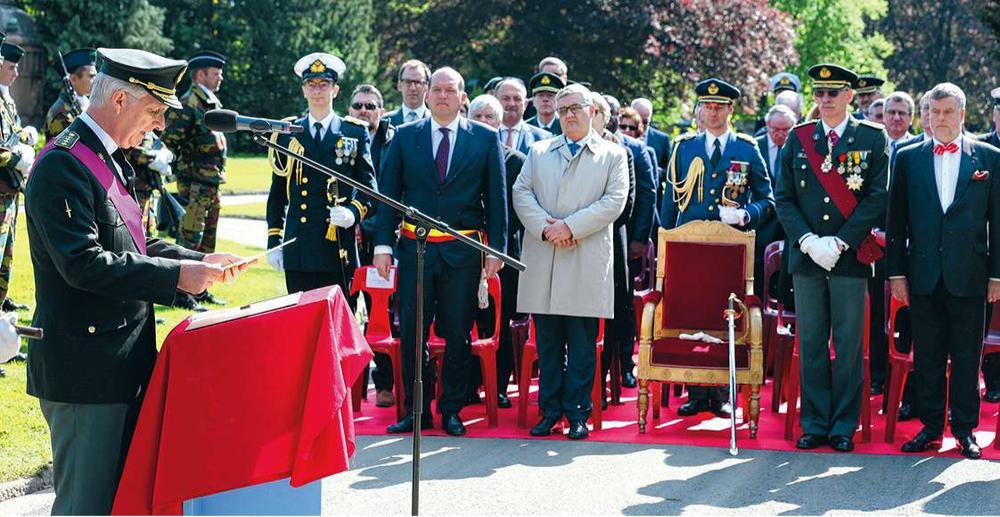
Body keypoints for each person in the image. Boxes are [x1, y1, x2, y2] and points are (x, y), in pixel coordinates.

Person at [25, 48, 249, 515]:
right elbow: (83, 263)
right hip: (85, 373)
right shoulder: (63, 163)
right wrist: (178, 278)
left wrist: (199, 259)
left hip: (118, 364)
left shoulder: (107, 157)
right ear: (121, 101)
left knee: (118, 504)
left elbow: (136, 243)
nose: (161, 125)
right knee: (86, 506)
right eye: (155, 111)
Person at [374, 67, 507, 437]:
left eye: (451, 90)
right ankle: (415, 410)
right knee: (412, 332)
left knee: (458, 333)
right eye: (437, 89)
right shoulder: (404, 137)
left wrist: (496, 249)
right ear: (428, 95)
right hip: (416, 252)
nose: (443, 95)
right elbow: (388, 196)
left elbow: (497, 199)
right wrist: (383, 246)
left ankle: (452, 409)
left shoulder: (484, 138)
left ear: (463, 97)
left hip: (462, 252)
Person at [775, 63, 888, 453]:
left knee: (848, 344)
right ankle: (815, 422)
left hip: (850, 255)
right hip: (807, 258)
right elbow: (784, 197)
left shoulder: (872, 138)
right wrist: (807, 240)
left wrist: (839, 242)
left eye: (833, 93)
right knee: (811, 343)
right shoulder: (799, 137)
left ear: (849, 96)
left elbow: (876, 197)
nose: (825, 101)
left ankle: (843, 424)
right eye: (819, 94)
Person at [887, 82, 999, 460]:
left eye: (948, 112)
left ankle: (965, 430)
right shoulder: (906, 157)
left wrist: (997, 275)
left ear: (963, 115)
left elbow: (998, 222)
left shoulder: (989, 158)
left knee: (968, 357)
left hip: (970, 275)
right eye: (934, 113)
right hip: (922, 275)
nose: (940, 119)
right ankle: (931, 427)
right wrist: (896, 273)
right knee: (929, 356)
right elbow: (896, 220)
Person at [514, 83, 628, 440]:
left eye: (575, 108)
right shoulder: (539, 150)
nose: (569, 115)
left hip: (584, 255)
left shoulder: (612, 154)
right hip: (546, 253)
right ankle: (549, 410)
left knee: (581, 343)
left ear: (592, 111)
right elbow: (521, 192)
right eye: (563, 110)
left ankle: (578, 411)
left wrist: (570, 227)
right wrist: (547, 230)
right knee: (547, 341)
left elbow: (615, 201)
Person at [661, 78, 774, 417]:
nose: (712, 112)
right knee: (692, 315)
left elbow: (768, 198)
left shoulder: (746, 147)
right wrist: (666, 240)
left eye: (719, 106)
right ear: (700, 110)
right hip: (691, 247)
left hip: (729, 248)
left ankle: (723, 392)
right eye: (707, 106)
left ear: (730, 109)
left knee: (726, 317)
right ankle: (695, 391)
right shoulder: (684, 147)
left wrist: (746, 214)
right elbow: (669, 201)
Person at [265, 53, 376, 301]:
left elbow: (370, 190)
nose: (317, 91)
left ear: (335, 90)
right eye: (311, 85)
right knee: (300, 323)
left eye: (323, 85)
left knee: (337, 322)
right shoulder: (287, 132)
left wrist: (353, 213)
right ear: (303, 90)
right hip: (299, 247)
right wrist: (274, 240)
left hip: (337, 245)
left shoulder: (353, 132)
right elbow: (277, 196)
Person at [468, 93, 527, 409]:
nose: (484, 122)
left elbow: (518, 212)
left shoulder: (514, 161)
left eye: (490, 117)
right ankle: (468, 383)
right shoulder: (459, 158)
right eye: (478, 116)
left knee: (499, 322)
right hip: (465, 252)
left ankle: (499, 384)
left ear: (501, 122)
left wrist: (493, 239)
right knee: (465, 318)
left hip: (503, 254)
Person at [161, 50, 228, 310]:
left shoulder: (210, 101)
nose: (220, 77)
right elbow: (170, 141)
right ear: (200, 75)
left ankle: (202, 290)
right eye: (216, 73)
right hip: (195, 182)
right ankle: (181, 293)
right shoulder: (188, 102)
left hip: (211, 182)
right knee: (190, 237)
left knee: (207, 238)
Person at [349, 83, 397, 407]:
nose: (364, 111)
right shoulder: (343, 137)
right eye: (358, 106)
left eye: (370, 106)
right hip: (344, 238)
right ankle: (350, 385)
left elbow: (391, 194)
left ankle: (384, 383)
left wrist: (363, 224)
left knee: (385, 314)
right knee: (349, 313)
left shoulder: (394, 142)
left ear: (381, 111)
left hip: (382, 239)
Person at [0, 39, 36, 314]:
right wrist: (18, 158)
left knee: (5, 261)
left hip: (8, 194)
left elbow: (8, 136)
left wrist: (24, 137)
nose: (14, 73)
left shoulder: (5, 100)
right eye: (9, 66)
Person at [755, 104, 796, 300]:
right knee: (758, 274)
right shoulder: (755, 146)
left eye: (785, 130)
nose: (780, 134)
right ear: (767, 125)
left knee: (784, 280)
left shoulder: (799, 148)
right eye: (775, 129)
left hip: (790, 224)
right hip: (762, 224)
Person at [45, 47, 97, 139]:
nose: (95, 81)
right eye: (91, 76)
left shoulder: (85, 103)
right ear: (73, 79)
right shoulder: (61, 113)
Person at [494, 77, 551, 155]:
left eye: (517, 99)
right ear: (496, 102)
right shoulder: (485, 136)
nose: (511, 104)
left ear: (525, 104)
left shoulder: (543, 139)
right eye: (506, 98)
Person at [386, 59, 431, 126]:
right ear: (399, 85)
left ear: (427, 87)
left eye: (418, 82)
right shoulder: (385, 122)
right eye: (408, 82)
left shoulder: (436, 121)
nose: (412, 88)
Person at [631, 97, 671, 171]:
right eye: (638, 121)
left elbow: (669, 170)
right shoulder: (624, 134)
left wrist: (656, 170)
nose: (641, 125)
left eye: (645, 122)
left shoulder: (662, 139)